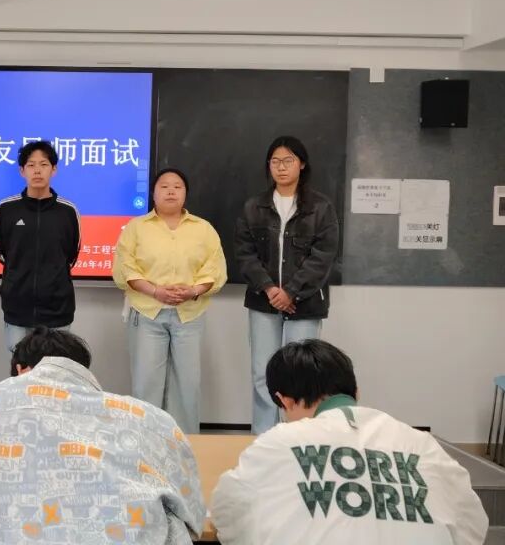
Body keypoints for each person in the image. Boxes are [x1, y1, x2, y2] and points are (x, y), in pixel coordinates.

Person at [211, 339, 488, 545]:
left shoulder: (279, 442)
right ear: (356, 392)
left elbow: (228, 513)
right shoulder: (421, 444)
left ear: (284, 400)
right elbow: (472, 524)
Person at [0, 328, 205, 545]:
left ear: (20, 370)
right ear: (81, 369)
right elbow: (193, 514)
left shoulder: (5, 394)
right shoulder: (151, 417)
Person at [234, 135, 340, 434]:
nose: (281, 167)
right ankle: (264, 437)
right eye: (275, 161)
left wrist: (291, 291)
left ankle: (299, 437)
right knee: (262, 372)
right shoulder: (254, 206)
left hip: (305, 302)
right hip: (263, 300)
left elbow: (324, 256)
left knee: (302, 373)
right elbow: (245, 253)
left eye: (288, 160)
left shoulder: (321, 207)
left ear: (302, 164)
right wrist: (271, 289)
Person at [113, 168, 226, 434]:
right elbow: (125, 269)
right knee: (146, 384)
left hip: (189, 315)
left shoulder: (203, 229)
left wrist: (193, 290)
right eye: (164, 186)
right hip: (147, 313)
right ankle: (146, 441)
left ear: (186, 193)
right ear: (153, 194)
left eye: (177, 186)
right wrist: (155, 291)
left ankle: (185, 443)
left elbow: (215, 269)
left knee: (187, 385)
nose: (171, 191)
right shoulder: (136, 228)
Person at [0, 140, 80, 353]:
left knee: (55, 368)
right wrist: (19, 272)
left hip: (57, 309)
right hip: (17, 308)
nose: (37, 170)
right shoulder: (6, 209)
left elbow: (72, 254)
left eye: (44, 164)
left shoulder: (67, 211)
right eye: (31, 165)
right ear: (22, 171)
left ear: (54, 169)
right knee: (21, 367)